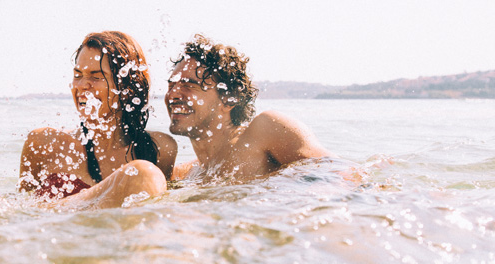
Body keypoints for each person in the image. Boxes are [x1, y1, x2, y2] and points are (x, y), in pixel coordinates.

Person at [20, 31, 177, 208]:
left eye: (96, 77)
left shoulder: (159, 150)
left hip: (118, 234)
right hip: (57, 234)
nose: (81, 86)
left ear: (127, 87)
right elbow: (20, 212)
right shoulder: (44, 143)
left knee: (143, 173)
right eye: (78, 75)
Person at [166, 34, 333, 183]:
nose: (172, 94)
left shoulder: (264, 131)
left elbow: (338, 172)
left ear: (229, 100)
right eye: (171, 85)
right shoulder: (188, 174)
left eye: (189, 85)